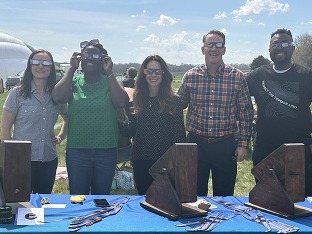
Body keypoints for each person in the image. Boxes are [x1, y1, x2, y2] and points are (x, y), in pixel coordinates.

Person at [178, 30, 253, 196]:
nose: (214, 49)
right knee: (194, 196)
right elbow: (177, 106)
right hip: (196, 144)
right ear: (202, 49)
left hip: (225, 145)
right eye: (210, 44)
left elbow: (246, 113)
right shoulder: (190, 76)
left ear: (224, 50)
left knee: (225, 196)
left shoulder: (237, 77)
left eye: (218, 45)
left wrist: (243, 144)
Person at [52, 39, 129, 195]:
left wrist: (110, 73)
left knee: (101, 197)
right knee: (78, 196)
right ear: (81, 58)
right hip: (77, 150)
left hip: (106, 150)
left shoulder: (112, 81)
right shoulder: (74, 81)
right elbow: (58, 97)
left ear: (103, 59)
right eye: (86, 54)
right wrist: (71, 69)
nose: (90, 58)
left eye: (95, 54)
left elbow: (121, 101)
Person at [246, 28, 312, 197]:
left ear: (293, 48)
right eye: (276, 44)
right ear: (269, 48)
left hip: (299, 149)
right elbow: (236, 97)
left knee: (301, 200)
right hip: (265, 148)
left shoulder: (307, 76)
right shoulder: (256, 76)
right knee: (267, 198)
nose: (280, 47)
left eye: (285, 43)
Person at [1, 49, 68, 194]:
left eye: (45, 63)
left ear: (51, 68)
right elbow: (5, 127)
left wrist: (61, 137)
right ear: (30, 66)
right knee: (18, 203)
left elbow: (68, 119)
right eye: (36, 62)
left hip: (48, 159)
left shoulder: (56, 95)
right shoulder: (17, 93)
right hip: (21, 159)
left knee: (42, 204)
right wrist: (10, 155)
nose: (40, 66)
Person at [130, 55, 186, 195]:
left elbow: (178, 135)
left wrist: (178, 163)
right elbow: (132, 130)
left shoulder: (174, 101)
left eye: (157, 71)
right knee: (144, 201)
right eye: (149, 71)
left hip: (165, 161)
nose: (153, 75)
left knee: (165, 203)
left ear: (164, 74)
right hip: (140, 158)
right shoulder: (137, 98)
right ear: (143, 73)